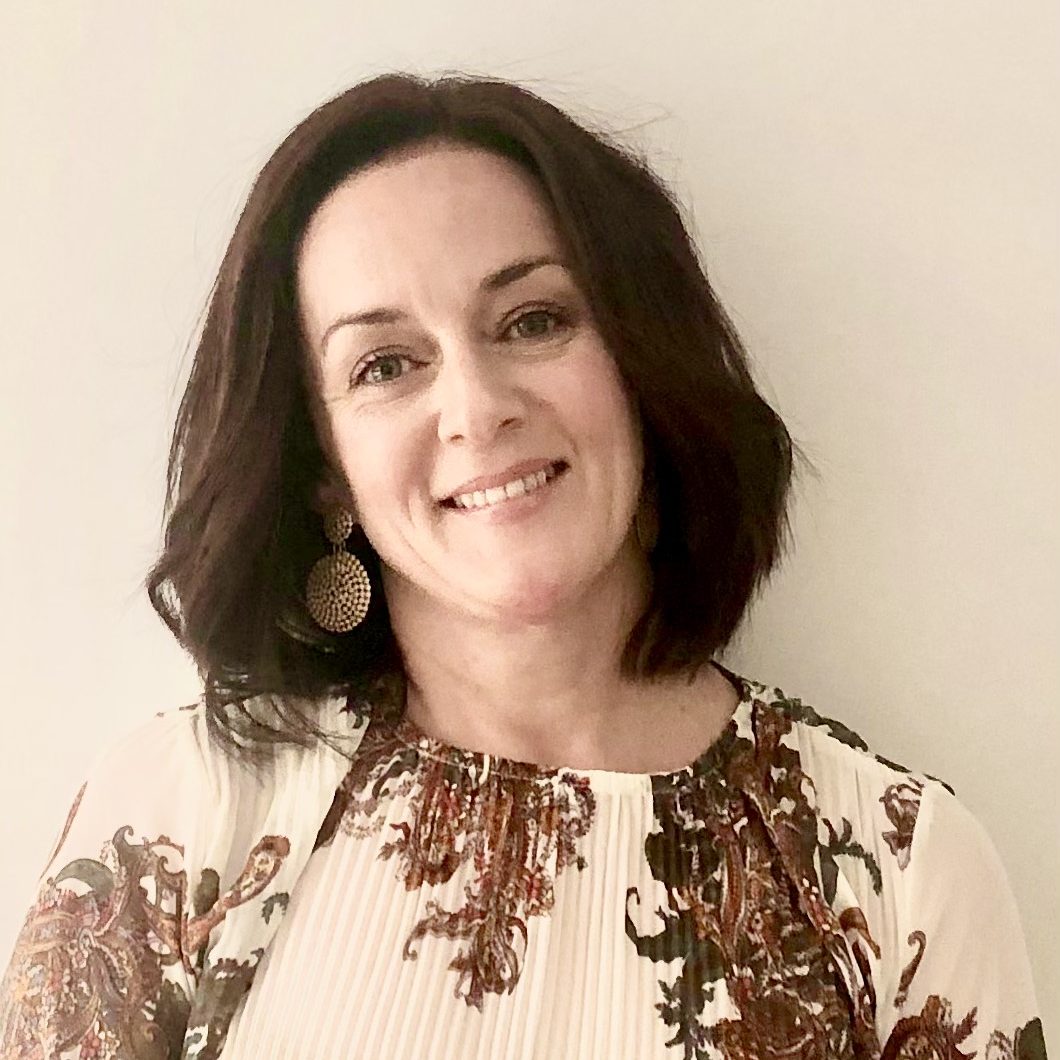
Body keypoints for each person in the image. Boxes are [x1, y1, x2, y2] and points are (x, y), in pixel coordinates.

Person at [0, 73, 1046, 1060]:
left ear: (641, 360)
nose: (476, 405)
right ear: (325, 471)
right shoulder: (184, 815)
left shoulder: (896, 865)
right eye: (386, 365)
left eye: (532, 320)